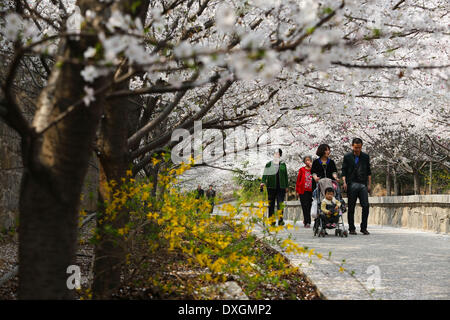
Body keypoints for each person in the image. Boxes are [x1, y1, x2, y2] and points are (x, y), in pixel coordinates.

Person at [341, 138, 372, 235]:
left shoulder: (365, 157)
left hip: (362, 184)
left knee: (366, 205)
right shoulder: (347, 156)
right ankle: (352, 228)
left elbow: (369, 171)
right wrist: (344, 182)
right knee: (351, 207)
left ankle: (364, 227)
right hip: (351, 183)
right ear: (352, 146)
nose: (357, 149)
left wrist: (369, 184)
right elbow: (343, 171)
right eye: (355, 147)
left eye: (359, 147)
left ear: (361, 146)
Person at [260, 149, 288, 226]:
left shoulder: (283, 165)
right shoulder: (268, 164)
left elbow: (285, 176)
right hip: (271, 187)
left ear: (280, 155)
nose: (276, 155)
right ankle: (271, 221)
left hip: (281, 187)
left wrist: (286, 186)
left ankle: (280, 220)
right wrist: (263, 182)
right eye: (275, 153)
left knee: (280, 204)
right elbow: (265, 174)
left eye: (278, 154)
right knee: (271, 204)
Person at [295, 156, 313, 228]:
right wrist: (297, 191)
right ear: (304, 162)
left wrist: (312, 167)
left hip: (312, 191)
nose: (308, 161)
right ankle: (307, 221)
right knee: (305, 206)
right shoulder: (301, 170)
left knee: (310, 205)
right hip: (303, 191)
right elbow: (298, 181)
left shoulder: (313, 169)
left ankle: (306, 220)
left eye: (309, 160)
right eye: (306, 160)